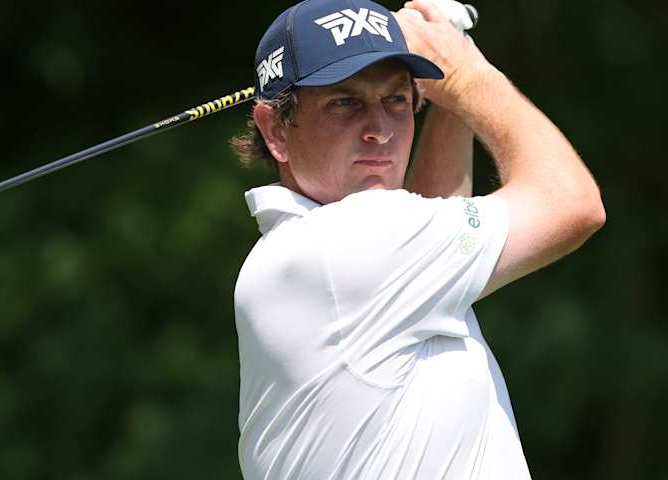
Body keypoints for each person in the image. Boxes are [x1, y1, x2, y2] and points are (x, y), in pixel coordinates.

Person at [230, 0, 606, 478]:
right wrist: (467, 74)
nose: (380, 130)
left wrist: (452, 91)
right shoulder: (347, 241)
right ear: (275, 130)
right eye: (344, 102)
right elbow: (572, 203)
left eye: (396, 100)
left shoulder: (307, 252)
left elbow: (431, 212)